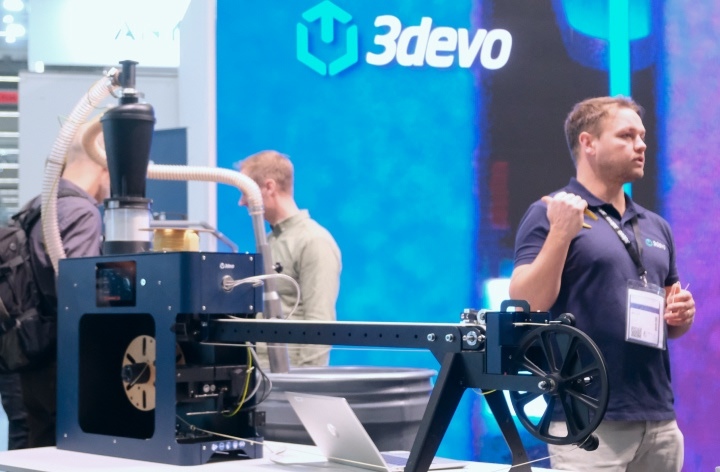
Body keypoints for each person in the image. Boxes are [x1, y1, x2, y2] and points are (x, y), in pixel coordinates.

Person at [508, 96, 695, 471]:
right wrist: (561, 233)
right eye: (626, 136)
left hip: (658, 417)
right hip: (588, 420)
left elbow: (672, 324)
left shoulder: (655, 225)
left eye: (642, 136)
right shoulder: (550, 212)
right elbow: (526, 303)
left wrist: (682, 316)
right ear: (588, 143)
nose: (640, 145)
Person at [18, 121, 109, 447]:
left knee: (29, 452)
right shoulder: (82, 212)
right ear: (105, 165)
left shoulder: (38, 205)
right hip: (61, 364)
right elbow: (80, 297)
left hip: (27, 358)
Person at [236, 150, 341, 368]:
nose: (242, 202)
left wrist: (305, 382)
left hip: (290, 377)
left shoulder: (314, 241)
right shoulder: (269, 241)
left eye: (246, 192)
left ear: (269, 187)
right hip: (260, 374)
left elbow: (321, 324)